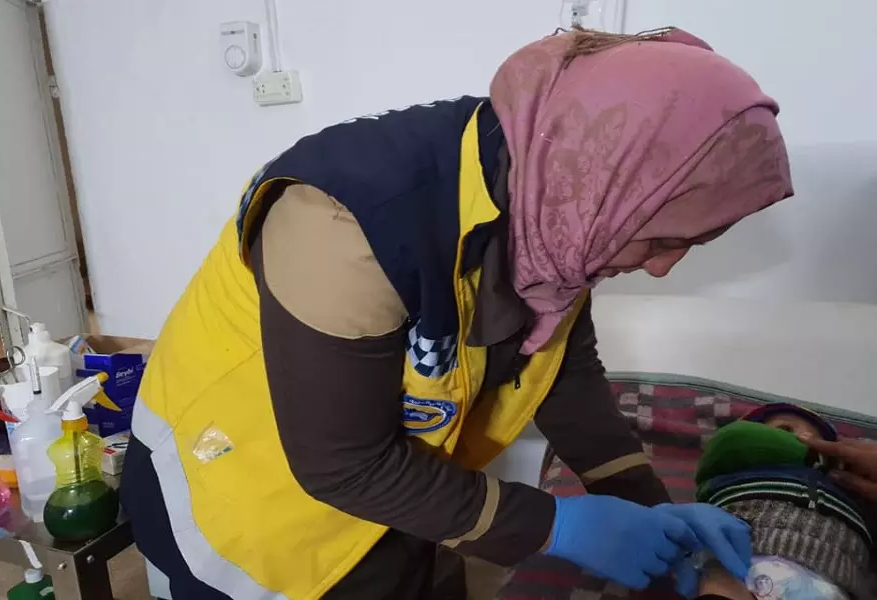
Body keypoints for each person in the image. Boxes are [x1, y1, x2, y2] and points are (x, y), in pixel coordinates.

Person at [120, 26, 794, 600]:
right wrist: (558, 525)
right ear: (609, 186)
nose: (662, 266)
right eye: (663, 239)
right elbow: (343, 465)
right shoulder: (344, 222)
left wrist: (654, 510)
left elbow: (558, 369)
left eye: (693, 243)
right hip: (241, 509)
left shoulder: (561, 206)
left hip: (385, 507)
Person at [692, 403, 875, 599]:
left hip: (834, 574)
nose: (805, 438)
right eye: (786, 429)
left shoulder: (850, 483)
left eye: (817, 439)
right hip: (747, 552)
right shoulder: (736, 460)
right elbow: (729, 440)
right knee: (720, 582)